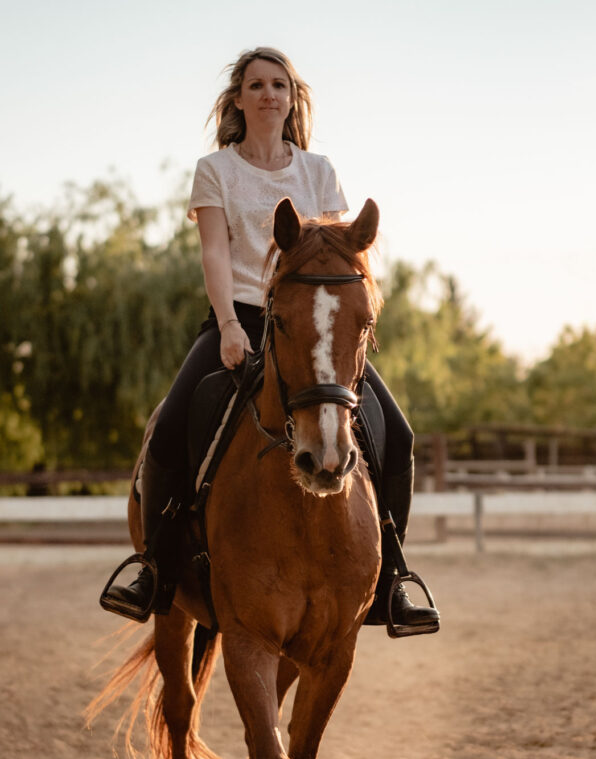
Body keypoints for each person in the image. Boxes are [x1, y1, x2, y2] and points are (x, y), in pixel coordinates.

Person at [101, 46, 439, 634]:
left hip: (312, 326)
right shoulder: (216, 170)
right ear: (238, 98)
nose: (268, 95)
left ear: (291, 97)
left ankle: (392, 578)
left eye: (278, 85)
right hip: (241, 320)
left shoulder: (318, 170)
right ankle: (153, 567)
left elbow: (340, 253)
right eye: (255, 85)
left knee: (399, 434)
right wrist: (229, 325)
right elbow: (214, 252)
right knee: (169, 427)